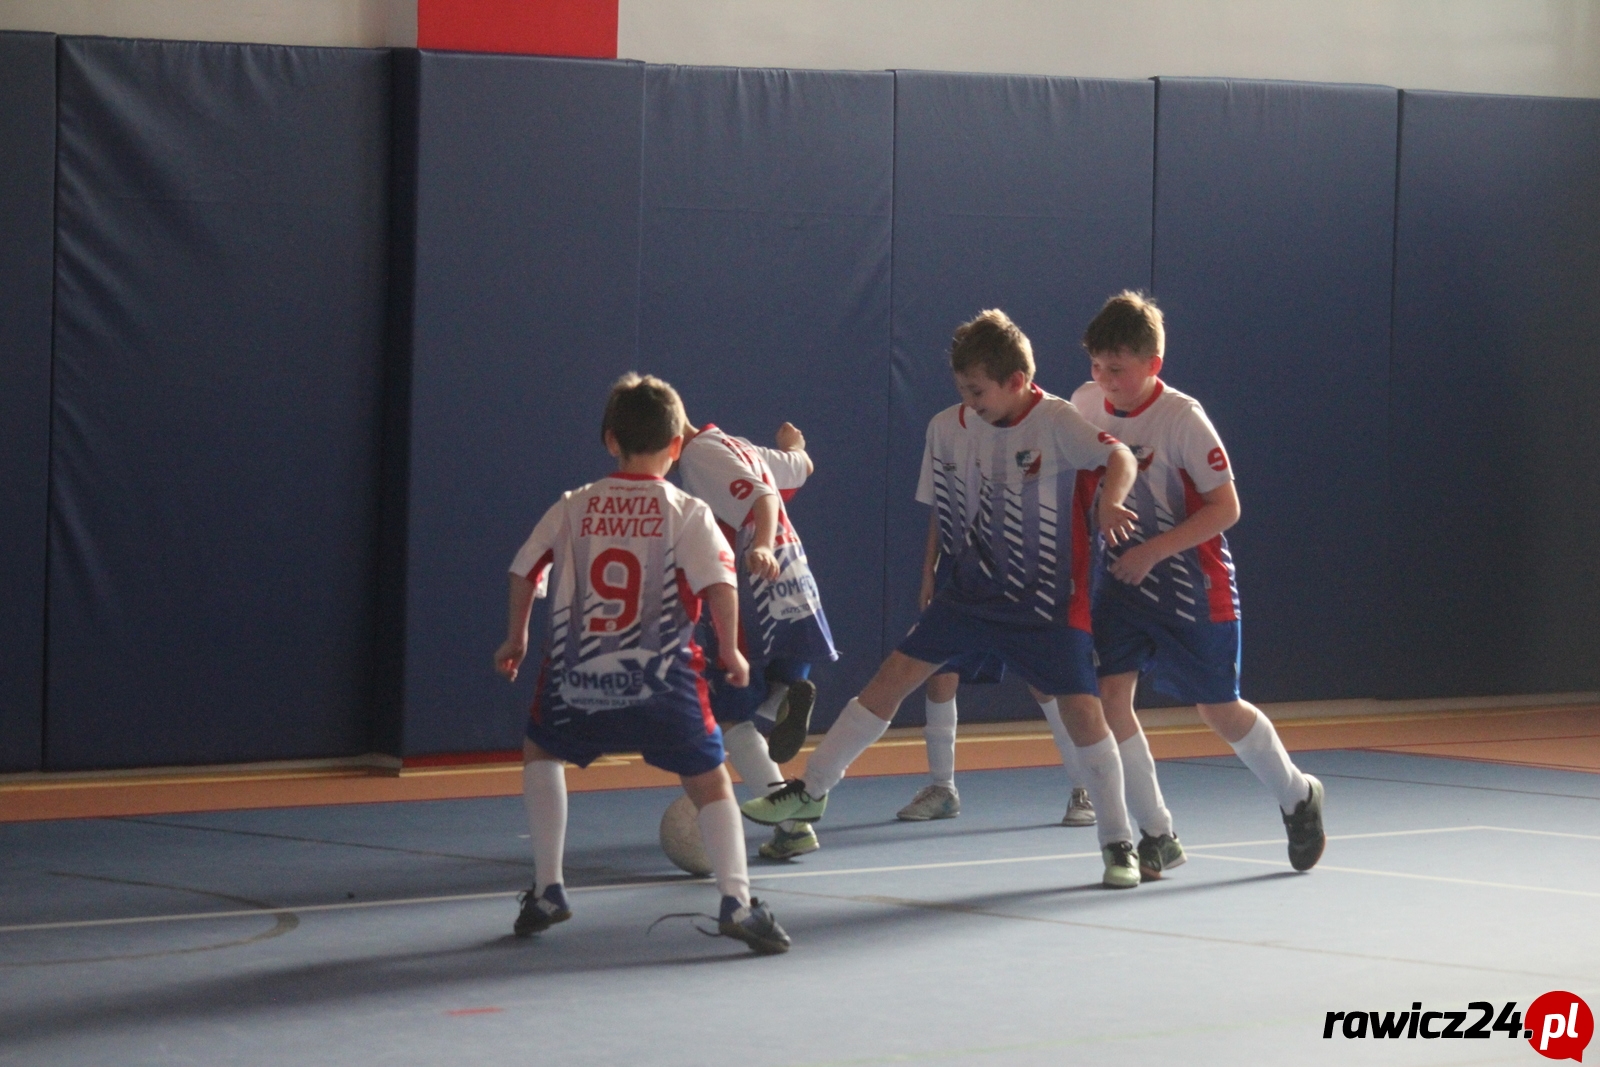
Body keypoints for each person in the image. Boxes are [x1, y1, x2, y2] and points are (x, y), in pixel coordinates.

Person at [742, 309, 1148, 888]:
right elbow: (946, 505)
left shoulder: (1058, 420)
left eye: (978, 391)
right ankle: (811, 791)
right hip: (969, 595)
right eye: (962, 390)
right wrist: (932, 568)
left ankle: (1118, 840)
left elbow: (1120, 457)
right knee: (892, 676)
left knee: (1084, 712)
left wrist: (1110, 500)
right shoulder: (950, 427)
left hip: (1046, 604)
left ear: (1016, 381)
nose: (969, 402)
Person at [493, 372, 790, 954]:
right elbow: (720, 581)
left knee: (541, 751)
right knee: (710, 781)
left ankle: (549, 888)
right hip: (664, 680)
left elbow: (524, 569)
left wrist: (516, 637)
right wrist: (730, 650)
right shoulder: (686, 509)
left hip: (578, 676)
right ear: (676, 446)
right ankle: (737, 902)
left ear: (611, 440)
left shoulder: (573, 505)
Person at [1071, 291, 1325, 878]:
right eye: (1096, 365)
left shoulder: (1183, 419)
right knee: (1110, 699)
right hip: (1122, 582)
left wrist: (1154, 551)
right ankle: (1157, 832)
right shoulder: (1085, 403)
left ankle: (1297, 794)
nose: (1104, 379)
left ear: (1152, 364)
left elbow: (1226, 508)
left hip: (1191, 584)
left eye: (1117, 368)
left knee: (1218, 709)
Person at [677, 417, 838, 860]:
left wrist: (761, 546)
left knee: (729, 714)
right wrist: (796, 446)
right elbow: (799, 468)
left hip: (752, 587)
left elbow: (762, 497)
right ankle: (785, 698)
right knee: (768, 689)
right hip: (794, 582)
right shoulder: (740, 447)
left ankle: (792, 827)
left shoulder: (699, 455)